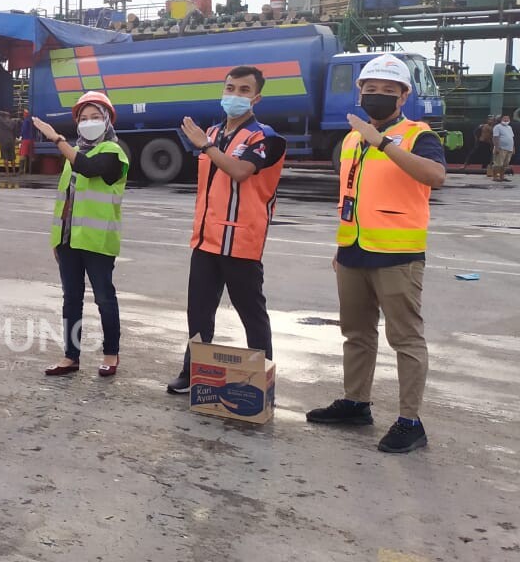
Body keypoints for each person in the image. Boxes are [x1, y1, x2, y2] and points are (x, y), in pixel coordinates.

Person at [306, 53, 447, 454]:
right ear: (360, 93)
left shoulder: (418, 135)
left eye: (389, 90)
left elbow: (436, 176)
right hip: (353, 251)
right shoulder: (353, 138)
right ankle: (356, 403)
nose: (378, 95)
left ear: (403, 97)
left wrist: (382, 143)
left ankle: (410, 421)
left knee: (405, 338)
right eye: (371, 89)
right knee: (356, 333)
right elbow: (351, 194)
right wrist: (341, 247)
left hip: (397, 254)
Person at [167, 65, 286, 394]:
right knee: (198, 311)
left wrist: (206, 147)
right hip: (206, 239)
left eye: (244, 90)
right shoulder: (214, 132)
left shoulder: (265, 137)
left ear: (256, 98)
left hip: (241, 239)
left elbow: (240, 171)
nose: (235, 95)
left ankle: (261, 378)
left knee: (251, 312)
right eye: (230, 88)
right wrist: (208, 143)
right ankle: (191, 370)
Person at [31, 91, 128, 377]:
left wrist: (56, 139)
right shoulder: (74, 152)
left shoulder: (113, 152)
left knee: (104, 299)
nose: (89, 123)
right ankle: (70, 356)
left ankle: (111, 354)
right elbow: (66, 200)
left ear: (107, 120)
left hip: (97, 241)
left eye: (95, 117)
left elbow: (89, 169)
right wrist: (57, 239)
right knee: (71, 299)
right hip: (68, 240)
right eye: (83, 118)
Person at [0, 109, 20, 175]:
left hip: (3, 141)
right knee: (12, 157)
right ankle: (14, 172)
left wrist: (4, 112)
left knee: (5, 157)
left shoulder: (1, 121)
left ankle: (7, 173)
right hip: (11, 141)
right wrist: (13, 139)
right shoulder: (13, 123)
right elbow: (15, 133)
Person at [492, 113, 514, 181]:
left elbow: (511, 137)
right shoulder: (497, 127)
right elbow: (495, 138)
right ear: (501, 119)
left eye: (507, 118)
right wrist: (497, 148)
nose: (506, 119)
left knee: (505, 164)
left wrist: (513, 148)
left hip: (509, 149)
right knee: (498, 164)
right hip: (501, 148)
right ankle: (495, 177)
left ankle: (502, 177)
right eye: (504, 118)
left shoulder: (509, 127)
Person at [19, 109, 35, 175]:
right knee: (31, 155)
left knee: (23, 154)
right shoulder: (32, 120)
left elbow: (24, 130)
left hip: (25, 139)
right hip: (32, 140)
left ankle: (21, 170)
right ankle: (31, 170)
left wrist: (20, 136)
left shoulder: (25, 121)